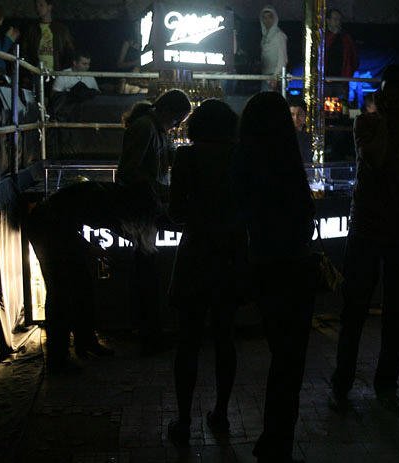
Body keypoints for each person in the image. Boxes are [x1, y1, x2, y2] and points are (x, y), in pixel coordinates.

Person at [330, 65, 399, 413]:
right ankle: (342, 381)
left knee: (397, 313)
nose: (392, 97)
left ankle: (385, 383)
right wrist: (388, 122)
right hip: (366, 227)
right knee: (355, 309)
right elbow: (374, 159)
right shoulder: (366, 123)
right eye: (387, 90)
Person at [233, 92, 317, 463]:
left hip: (263, 265)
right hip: (295, 268)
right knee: (290, 360)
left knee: (281, 354)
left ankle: (273, 439)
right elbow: (303, 221)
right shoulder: (287, 159)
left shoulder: (243, 159)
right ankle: (277, 441)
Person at [166, 99, 245, 443]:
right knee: (225, 337)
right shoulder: (241, 156)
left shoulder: (187, 156)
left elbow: (175, 212)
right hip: (231, 254)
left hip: (196, 253)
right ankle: (221, 414)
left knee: (188, 340)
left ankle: (184, 420)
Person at [26, 180, 160, 372]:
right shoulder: (103, 199)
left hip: (50, 226)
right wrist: (89, 247)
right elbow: (65, 225)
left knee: (80, 286)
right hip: (48, 229)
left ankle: (85, 342)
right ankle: (58, 359)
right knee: (61, 295)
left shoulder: (109, 196)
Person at [118, 90, 192, 354]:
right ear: (168, 111)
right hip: (142, 209)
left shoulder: (154, 128)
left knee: (147, 271)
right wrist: (161, 190)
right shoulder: (145, 128)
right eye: (177, 120)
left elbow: (171, 157)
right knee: (146, 273)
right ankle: (148, 336)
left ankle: (150, 333)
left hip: (148, 207)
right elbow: (128, 171)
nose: (177, 126)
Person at [22, 0, 75, 73]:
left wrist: (64, 70)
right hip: (37, 72)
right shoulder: (32, 29)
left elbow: (70, 51)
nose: (38, 8)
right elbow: (25, 51)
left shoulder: (62, 29)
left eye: (41, 5)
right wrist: (30, 69)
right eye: (36, 6)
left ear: (49, 7)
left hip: (57, 72)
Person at [325, 8, 358, 99]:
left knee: (342, 104)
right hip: (325, 79)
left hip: (341, 80)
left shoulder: (345, 38)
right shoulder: (323, 37)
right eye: (335, 19)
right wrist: (333, 35)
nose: (338, 22)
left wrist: (350, 72)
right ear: (328, 20)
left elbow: (354, 56)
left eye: (339, 20)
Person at [259, 6, 287, 92]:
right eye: (264, 17)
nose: (267, 20)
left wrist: (275, 77)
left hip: (274, 78)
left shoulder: (279, 35)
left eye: (269, 17)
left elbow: (283, 59)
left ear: (274, 19)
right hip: (265, 76)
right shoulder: (265, 37)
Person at [289, 99, 313, 163]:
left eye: (299, 114)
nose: (295, 118)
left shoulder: (308, 136)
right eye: (292, 114)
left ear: (305, 115)